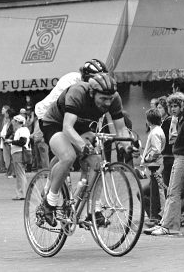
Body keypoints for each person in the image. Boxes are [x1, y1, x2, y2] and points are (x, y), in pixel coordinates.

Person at [40, 73, 135, 226]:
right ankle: (49, 202)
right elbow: (67, 127)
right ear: (92, 93)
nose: (107, 103)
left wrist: (128, 147)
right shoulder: (78, 93)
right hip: (56, 123)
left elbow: (121, 128)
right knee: (68, 157)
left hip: (82, 127)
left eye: (110, 99)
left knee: (98, 164)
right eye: (103, 99)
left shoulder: (114, 98)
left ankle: (94, 211)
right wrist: (84, 147)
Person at [147, 92, 184, 236]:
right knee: (171, 192)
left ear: (183, 106)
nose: (173, 109)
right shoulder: (181, 121)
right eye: (171, 106)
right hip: (179, 157)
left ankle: (169, 226)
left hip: (182, 158)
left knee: (173, 192)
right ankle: (166, 223)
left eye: (176, 106)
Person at [35, 58, 108, 120]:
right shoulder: (70, 81)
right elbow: (67, 106)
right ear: (87, 77)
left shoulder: (92, 86)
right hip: (46, 114)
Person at [139, 108, 165, 222]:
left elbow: (156, 151)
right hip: (157, 165)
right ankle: (155, 215)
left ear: (148, 121)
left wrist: (146, 159)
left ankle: (156, 216)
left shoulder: (154, 133)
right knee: (156, 192)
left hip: (156, 165)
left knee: (157, 192)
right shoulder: (158, 130)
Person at [5, 114, 31, 200]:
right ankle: (21, 193)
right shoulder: (21, 130)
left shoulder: (23, 130)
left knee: (20, 174)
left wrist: (11, 141)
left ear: (17, 122)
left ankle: (21, 194)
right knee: (20, 174)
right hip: (18, 153)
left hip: (19, 153)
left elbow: (22, 142)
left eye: (14, 121)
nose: (12, 122)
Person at [0, 106, 15, 177]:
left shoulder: (12, 122)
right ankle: (9, 171)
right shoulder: (7, 122)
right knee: (7, 159)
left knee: (9, 158)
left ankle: (11, 172)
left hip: (8, 141)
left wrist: (7, 138)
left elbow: (11, 132)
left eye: (6, 113)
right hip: (5, 141)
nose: (5, 114)